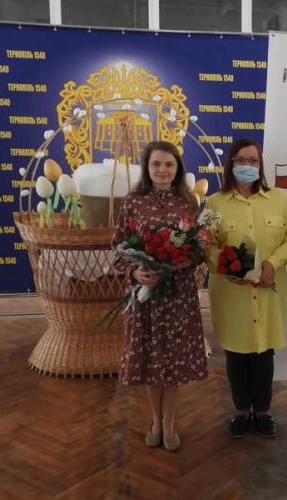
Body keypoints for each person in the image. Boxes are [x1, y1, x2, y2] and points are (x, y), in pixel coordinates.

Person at [111, 141, 208, 452]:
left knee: (173, 359)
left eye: (169, 164)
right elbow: (118, 247)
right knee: (153, 361)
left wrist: (182, 260)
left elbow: (200, 248)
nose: (162, 170)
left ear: (177, 168)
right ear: (147, 167)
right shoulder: (132, 202)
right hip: (147, 296)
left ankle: (169, 421)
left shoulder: (188, 202)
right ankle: (155, 420)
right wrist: (134, 272)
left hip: (178, 294)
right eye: (156, 164)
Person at [205, 138, 287, 439]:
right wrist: (225, 266)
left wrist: (274, 262)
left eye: (253, 160)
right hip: (231, 295)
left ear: (261, 165)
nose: (247, 165)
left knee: (263, 353)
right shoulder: (213, 204)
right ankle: (240, 411)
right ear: (231, 164)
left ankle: (263, 411)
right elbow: (206, 246)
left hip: (269, 292)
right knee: (236, 355)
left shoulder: (280, 200)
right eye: (241, 160)